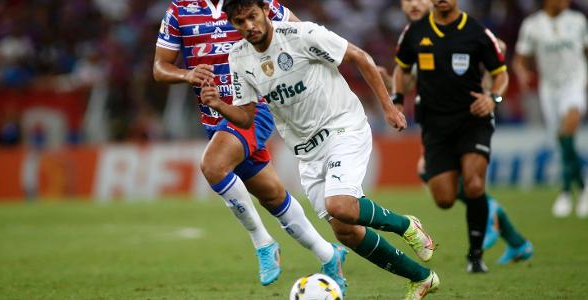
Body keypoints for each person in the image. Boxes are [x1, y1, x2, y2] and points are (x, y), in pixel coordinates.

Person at [202, 0, 440, 298]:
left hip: (343, 126)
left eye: (252, 16)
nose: (249, 26)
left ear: (265, 11)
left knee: (340, 205)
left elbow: (360, 57)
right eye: (240, 22)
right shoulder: (238, 57)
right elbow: (247, 117)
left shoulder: (302, 34)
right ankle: (421, 278)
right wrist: (219, 105)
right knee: (346, 231)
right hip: (307, 151)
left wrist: (389, 108)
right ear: (232, 24)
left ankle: (406, 224)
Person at [152, 0, 347, 288]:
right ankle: (329, 255)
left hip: (256, 107)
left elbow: (301, 34)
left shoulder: (260, 3)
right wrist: (187, 74)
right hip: (213, 117)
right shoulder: (180, 10)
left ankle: (263, 243)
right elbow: (159, 67)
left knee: (213, 165)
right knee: (272, 196)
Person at [393, 0, 533, 273]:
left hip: (473, 119)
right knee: (444, 199)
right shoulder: (415, 32)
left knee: (474, 184)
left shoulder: (477, 32)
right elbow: (403, 69)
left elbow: (500, 74)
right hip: (435, 125)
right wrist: (397, 100)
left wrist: (493, 98)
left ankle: (475, 255)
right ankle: (492, 211)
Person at [513, 0, 588, 218]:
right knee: (563, 141)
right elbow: (521, 59)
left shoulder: (578, 21)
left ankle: (565, 192)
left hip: (574, 84)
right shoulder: (532, 25)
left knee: (569, 128)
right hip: (549, 89)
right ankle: (582, 188)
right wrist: (522, 72)